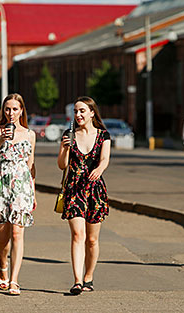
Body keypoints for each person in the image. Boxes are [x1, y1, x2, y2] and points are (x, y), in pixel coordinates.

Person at [0, 93, 36, 296]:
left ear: (21, 110)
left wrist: (33, 192)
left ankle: (14, 280)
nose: (11, 113)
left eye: (15, 109)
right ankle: (2, 265)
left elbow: (31, 165)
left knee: (17, 233)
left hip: (22, 187)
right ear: (3, 110)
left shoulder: (30, 134)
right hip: (1, 186)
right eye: (7, 109)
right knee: (2, 236)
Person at [57, 96, 111, 295]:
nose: (78, 115)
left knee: (92, 240)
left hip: (95, 191)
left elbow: (105, 159)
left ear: (91, 113)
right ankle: (77, 280)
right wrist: (65, 148)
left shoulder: (103, 135)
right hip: (74, 190)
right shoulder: (69, 134)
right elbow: (62, 165)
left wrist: (100, 169)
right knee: (78, 235)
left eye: (82, 111)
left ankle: (89, 276)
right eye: (76, 112)